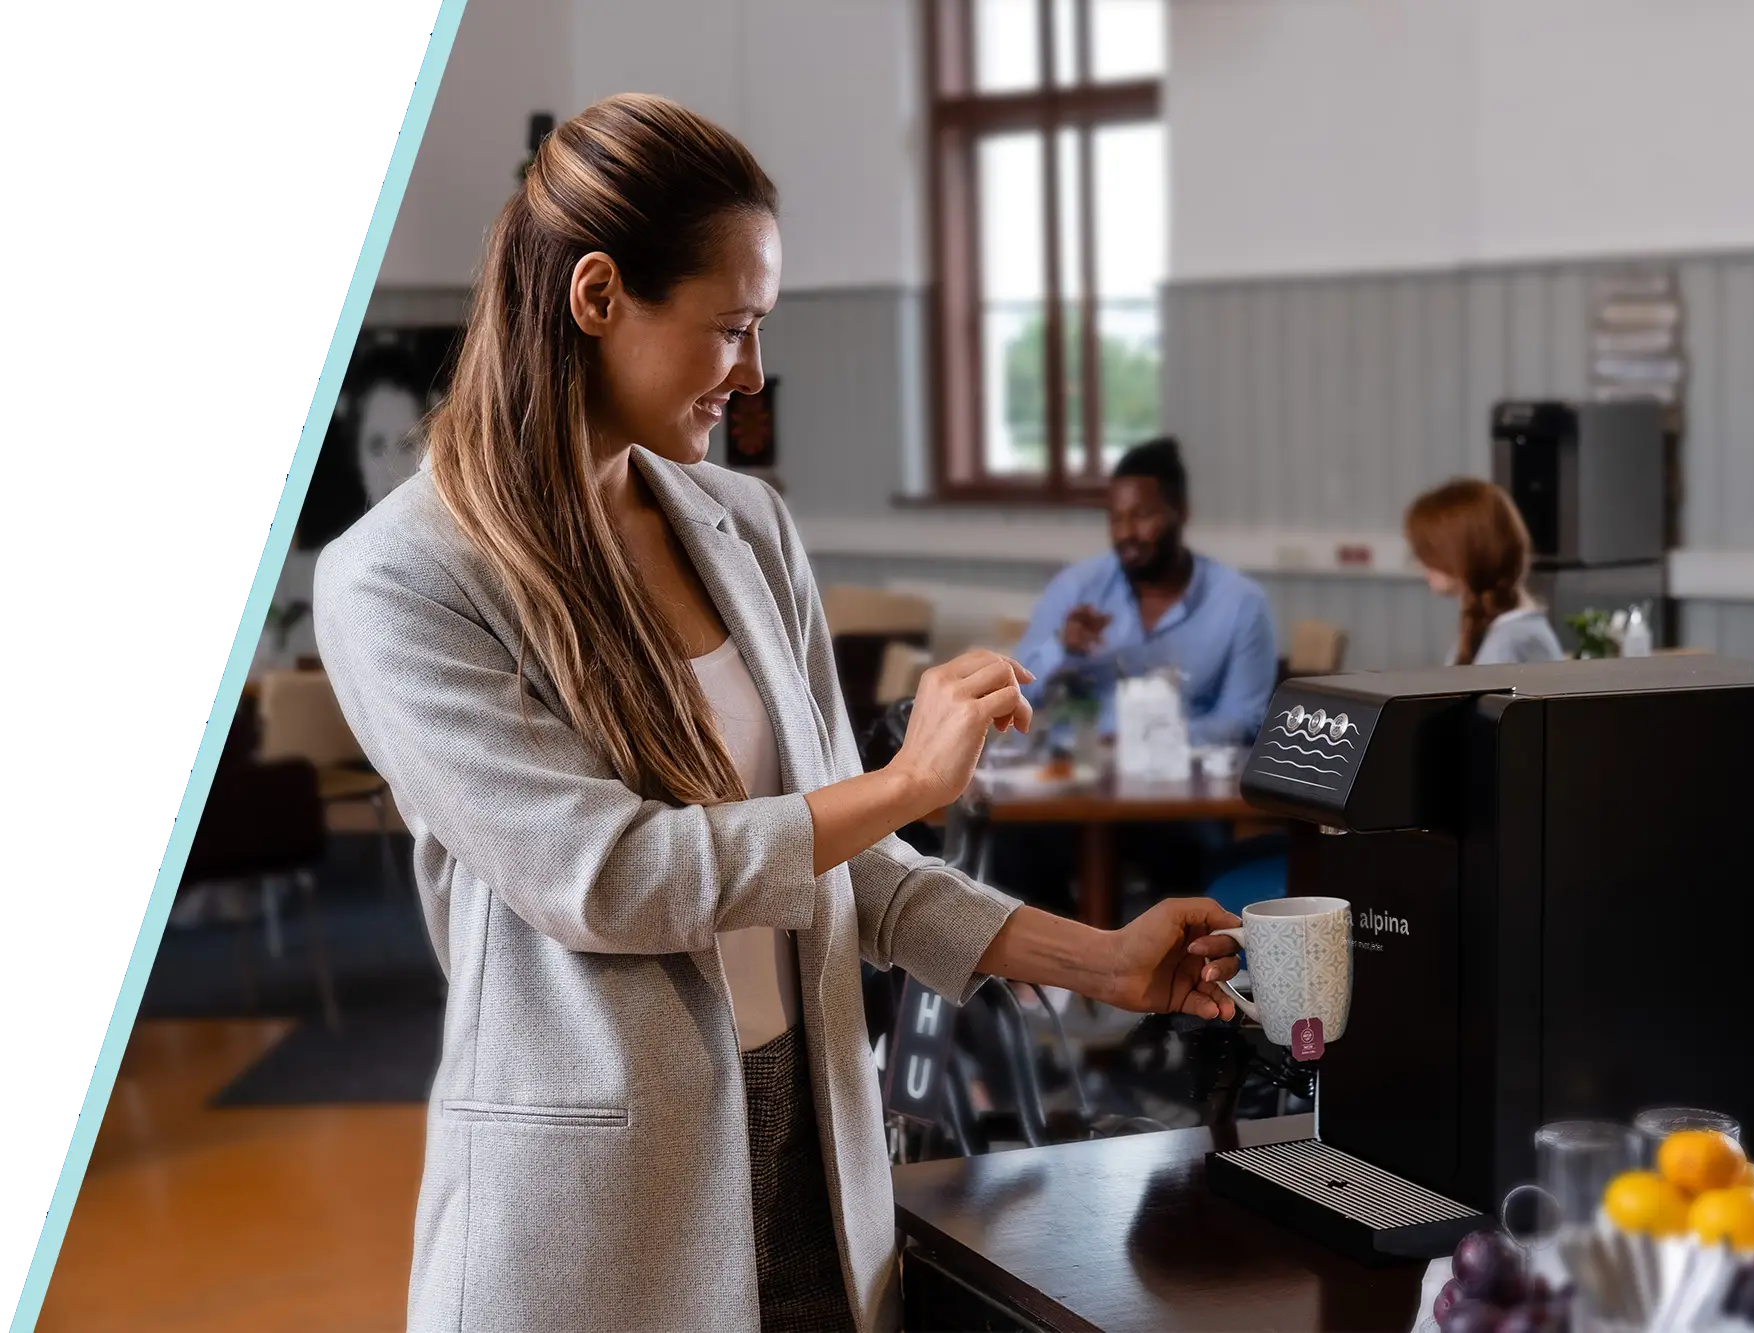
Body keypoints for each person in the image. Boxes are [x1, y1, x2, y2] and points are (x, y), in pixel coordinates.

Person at [311, 96, 1242, 1333]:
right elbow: (608, 877)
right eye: (732, 328)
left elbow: (847, 865)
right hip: (597, 1206)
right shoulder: (401, 576)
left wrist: (1101, 960)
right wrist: (907, 780)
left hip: (818, 1140)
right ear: (597, 298)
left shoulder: (744, 526)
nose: (751, 375)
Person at [1013, 437, 1278, 746]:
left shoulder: (1240, 605)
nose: (1125, 533)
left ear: (1181, 512)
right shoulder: (1077, 588)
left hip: (1185, 782)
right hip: (1077, 775)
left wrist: (1146, 742)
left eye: (1141, 516)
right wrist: (1061, 648)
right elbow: (1017, 693)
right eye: (1115, 518)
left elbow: (1244, 721)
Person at [1405, 477, 1564, 666]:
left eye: (1428, 551)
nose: (1419, 564)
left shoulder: (1511, 643)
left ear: (1461, 552)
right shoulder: (1491, 630)